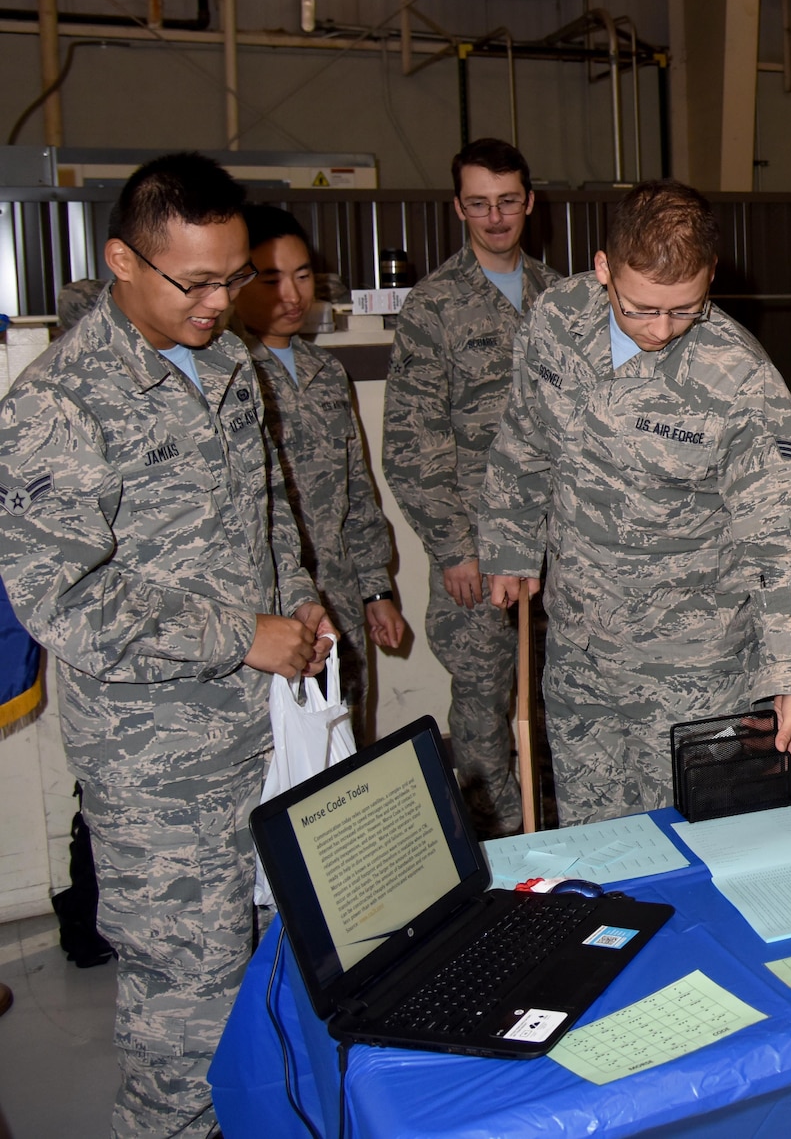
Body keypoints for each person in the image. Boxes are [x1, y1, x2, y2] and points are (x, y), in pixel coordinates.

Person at [0, 153, 332, 1138]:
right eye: (194, 281)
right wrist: (245, 636)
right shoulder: (59, 404)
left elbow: (267, 518)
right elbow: (66, 601)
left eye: (236, 277)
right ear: (121, 262)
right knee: (187, 1022)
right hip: (159, 766)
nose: (220, 300)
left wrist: (301, 604)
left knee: (279, 979)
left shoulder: (228, 358)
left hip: (265, 729)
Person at [480, 180, 791, 824]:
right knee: (596, 847)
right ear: (603, 270)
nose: (663, 330)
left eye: (686, 309)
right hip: (580, 651)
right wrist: (509, 544)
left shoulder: (739, 377)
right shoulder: (556, 321)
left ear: (711, 277)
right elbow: (524, 437)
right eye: (641, 309)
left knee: (710, 852)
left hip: (697, 675)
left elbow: (789, 541)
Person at [384, 138, 552, 836]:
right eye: (479, 203)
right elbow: (410, 441)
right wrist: (456, 548)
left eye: (507, 201)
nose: (494, 217)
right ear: (459, 208)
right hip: (479, 554)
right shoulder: (435, 306)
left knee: (554, 698)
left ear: (529, 202)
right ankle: (499, 845)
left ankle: (562, 830)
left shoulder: (563, 297)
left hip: (560, 547)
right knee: (483, 708)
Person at [234, 204, 407, 713]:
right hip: (269, 616)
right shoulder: (229, 371)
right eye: (270, 279)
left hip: (339, 601)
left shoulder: (324, 371)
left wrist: (376, 591)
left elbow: (356, 488)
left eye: (303, 275)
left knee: (346, 739)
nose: (292, 295)